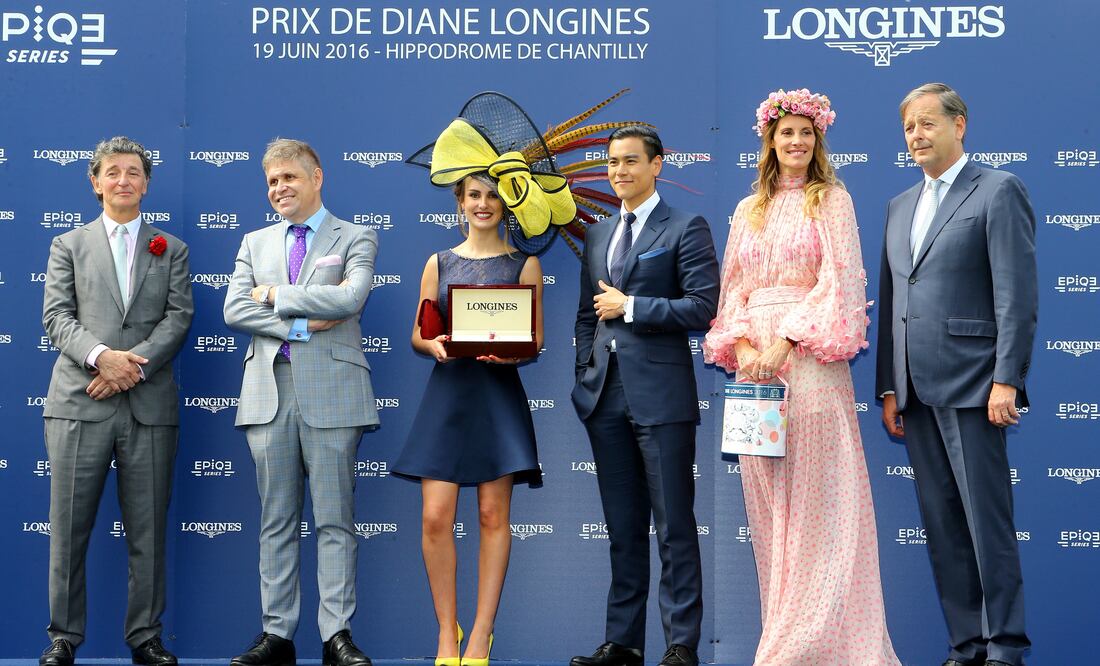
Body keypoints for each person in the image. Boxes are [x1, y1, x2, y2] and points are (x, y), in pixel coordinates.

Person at [703, 88, 901, 665]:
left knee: (819, 502)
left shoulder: (831, 200)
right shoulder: (748, 210)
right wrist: (745, 346)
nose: (795, 142)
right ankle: (786, 637)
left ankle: (817, 644)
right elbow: (732, 290)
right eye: (786, 133)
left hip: (810, 361)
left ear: (818, 141)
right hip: (753, 367)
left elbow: (840, 283)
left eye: (805, 134)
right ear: (769, 139)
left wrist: (786, 340)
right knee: (769, 507)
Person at [396, 99, 562, 666]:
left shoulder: (525, 266)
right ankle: (447, 631)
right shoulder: (438, 263)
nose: (484, 203)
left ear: (506, 202)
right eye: (474, 195)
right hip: (448, 396)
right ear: (460, 202)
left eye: (493, 194)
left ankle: (481, 632)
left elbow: (536, 340)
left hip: (497, 396)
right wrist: (434, 345)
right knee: (435, 517)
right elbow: (420, 332)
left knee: (494, 516)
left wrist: (514, 352)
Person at [877, 83, 1036, 666]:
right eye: (908, 129)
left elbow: (1015, 295)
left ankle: (1005, 648)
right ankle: (966, 645)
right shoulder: (899, 205)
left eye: (926, 124)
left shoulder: (998, 190)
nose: (916, 136)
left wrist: (1007, 378)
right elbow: (894, 300)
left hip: (974, 383)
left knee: (986, 524)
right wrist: (890, 386)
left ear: (959, 125)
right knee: (942, 527)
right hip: (915, 392)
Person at [223, 138, 379, 666]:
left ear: (317, 177)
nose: (279, 189)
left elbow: (349, 299)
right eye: (271, 181)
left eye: (289, 177)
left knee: (335, 520)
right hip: (268, 392)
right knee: (276, 521)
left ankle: (337, 635)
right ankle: (278, 636)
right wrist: (299, 323)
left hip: (334, 393)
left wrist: (272, 294)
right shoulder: (253, 242)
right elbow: (233, 310)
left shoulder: (355, 236)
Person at [39, 136, 193, 666]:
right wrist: (102, 357)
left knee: (147, 530)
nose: (123, 180)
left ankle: (145, 636)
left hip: (148, 408)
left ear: (146, 183)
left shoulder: (171, 248)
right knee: (69, 528)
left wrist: (128, 368)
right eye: (112, 172)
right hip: (78, 403)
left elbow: (178, 319)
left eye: (133, 172)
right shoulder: (68, 245)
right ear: (95, 182)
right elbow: (57, 317)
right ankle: (63, 637)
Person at [571, 126, 719, 666]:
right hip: (604, 399)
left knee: (674, 526)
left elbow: (703, 307)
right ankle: (623, 644)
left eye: (631, 161)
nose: (619, 172)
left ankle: (681, 645)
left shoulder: (685, 226)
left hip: (662, 398)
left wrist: (633, 307)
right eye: (612, 162)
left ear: (658, 165)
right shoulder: (597, 233)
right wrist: (585, 370)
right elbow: (588, 315)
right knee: (622, 529)